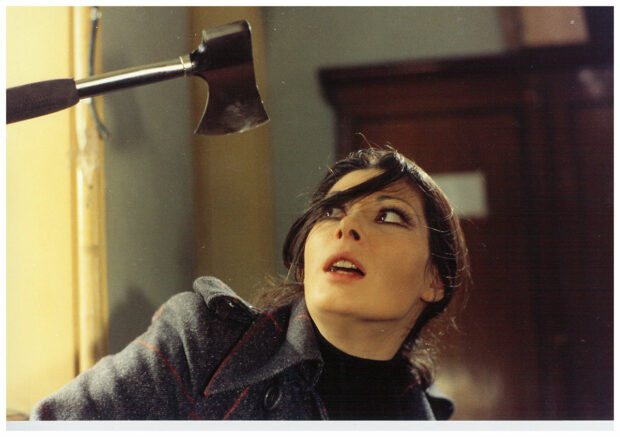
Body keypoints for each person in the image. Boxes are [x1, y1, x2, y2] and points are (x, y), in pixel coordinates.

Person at [31, 146, 469, 420]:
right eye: (331, 211)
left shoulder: (427, 418)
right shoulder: (199, 342)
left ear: (434, 279)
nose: (346, 227)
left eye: (388, 215)